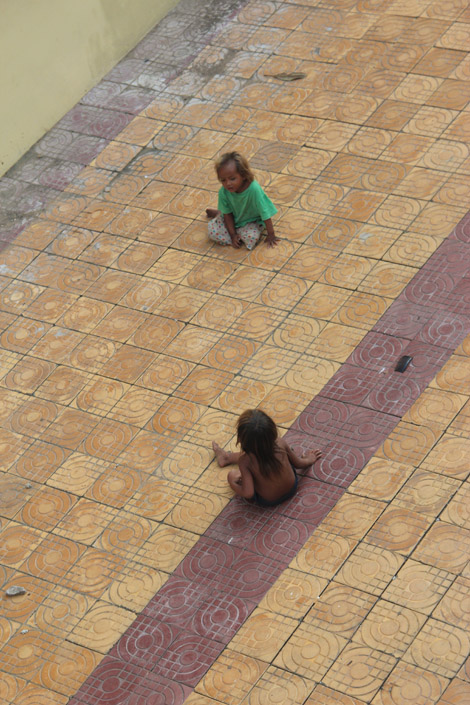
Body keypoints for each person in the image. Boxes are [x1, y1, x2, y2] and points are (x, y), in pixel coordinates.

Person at [212, 409, 322, 507]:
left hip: (269, 500)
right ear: (272, 431)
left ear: (241, 440)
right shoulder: (280, 443)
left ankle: (227, 458)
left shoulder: (245, 461)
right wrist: (310, 459)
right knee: (278, 454)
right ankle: (228, 457)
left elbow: (248, 493)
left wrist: (234, 484)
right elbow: (299, 464)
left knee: (233, 475)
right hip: (292, 487)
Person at [206, 151, 279, 250]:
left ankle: (219, 213)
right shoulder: (223, 192)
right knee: (212, 232)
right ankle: (220, 214)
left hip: (251, 221)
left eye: (232, 179)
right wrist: (233, 235)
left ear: (243, 175)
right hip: (233, 219)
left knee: (251, 238)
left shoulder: (254, 189)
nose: (228, 184)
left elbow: (264, 211)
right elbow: (228, 214)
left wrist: (271, 234)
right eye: (223, 180)